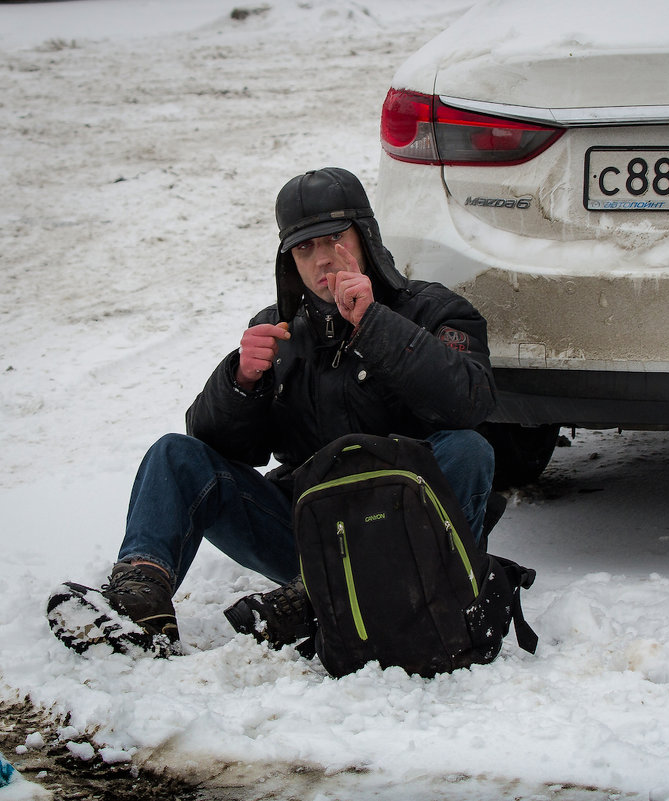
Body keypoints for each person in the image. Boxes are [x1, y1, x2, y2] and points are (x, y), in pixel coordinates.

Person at [47, 167, 501, 658]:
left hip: (409, 537)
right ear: (289, 260)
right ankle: (139, 607)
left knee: (468, 450)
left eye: (334, 237)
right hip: (310, 531)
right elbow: (224, 449)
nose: (323, 258)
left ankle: (324, 598)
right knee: (174, 455)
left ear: (366, 237)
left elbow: (470, 401)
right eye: (305, 248)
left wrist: (374, 325)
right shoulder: (277, 328)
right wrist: (241, 383)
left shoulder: (434, 310)